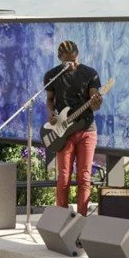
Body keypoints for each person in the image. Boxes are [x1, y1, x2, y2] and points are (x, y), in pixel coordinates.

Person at [43, 41, 103, 214]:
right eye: (68, 61)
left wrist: (97, 103)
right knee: (63, 176)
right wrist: (51, 113)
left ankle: (82, 218)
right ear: (60, 58)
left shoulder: (90, 73)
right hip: (64, 131)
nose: (73, 64)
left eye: (75, 59)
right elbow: (49, 100)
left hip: (87, 129)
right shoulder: (51, 76)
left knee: (84, 175)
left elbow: (95, 105)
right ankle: (61, 216)